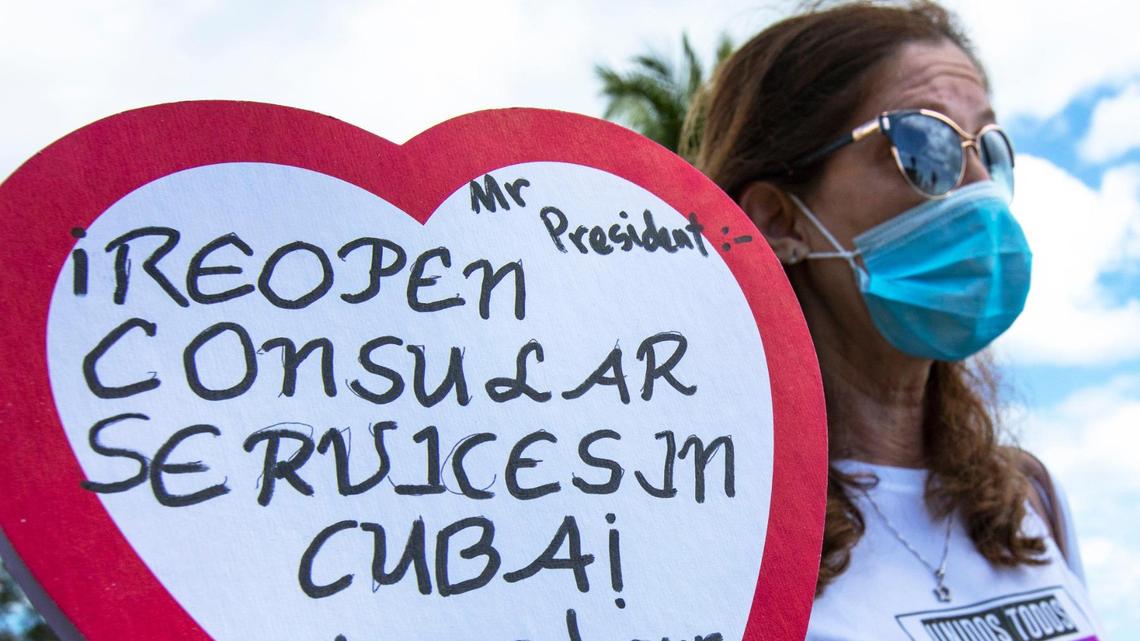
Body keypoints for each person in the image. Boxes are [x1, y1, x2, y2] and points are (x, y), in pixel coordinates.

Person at [686, 2, 1105, 639]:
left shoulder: (1029, 502)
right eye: (923, 145)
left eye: (988, 150)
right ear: (779, 220)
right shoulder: (711, 533)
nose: (976, 188)